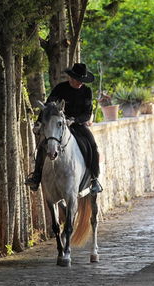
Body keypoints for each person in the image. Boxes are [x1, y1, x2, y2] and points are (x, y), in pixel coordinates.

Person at [25, 63, 103, 195]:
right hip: (57, 125)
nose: (80, 83)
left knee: (93, 146)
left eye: (82, 81)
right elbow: (48, 107)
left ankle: (94, 179)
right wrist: (39, 122)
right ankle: (36, 177)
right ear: (71, 78)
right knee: (44, 145)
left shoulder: (86, 91)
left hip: (77, 125)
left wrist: (74, 120)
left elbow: (87, 114)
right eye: (78, 80)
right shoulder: (60, 88)